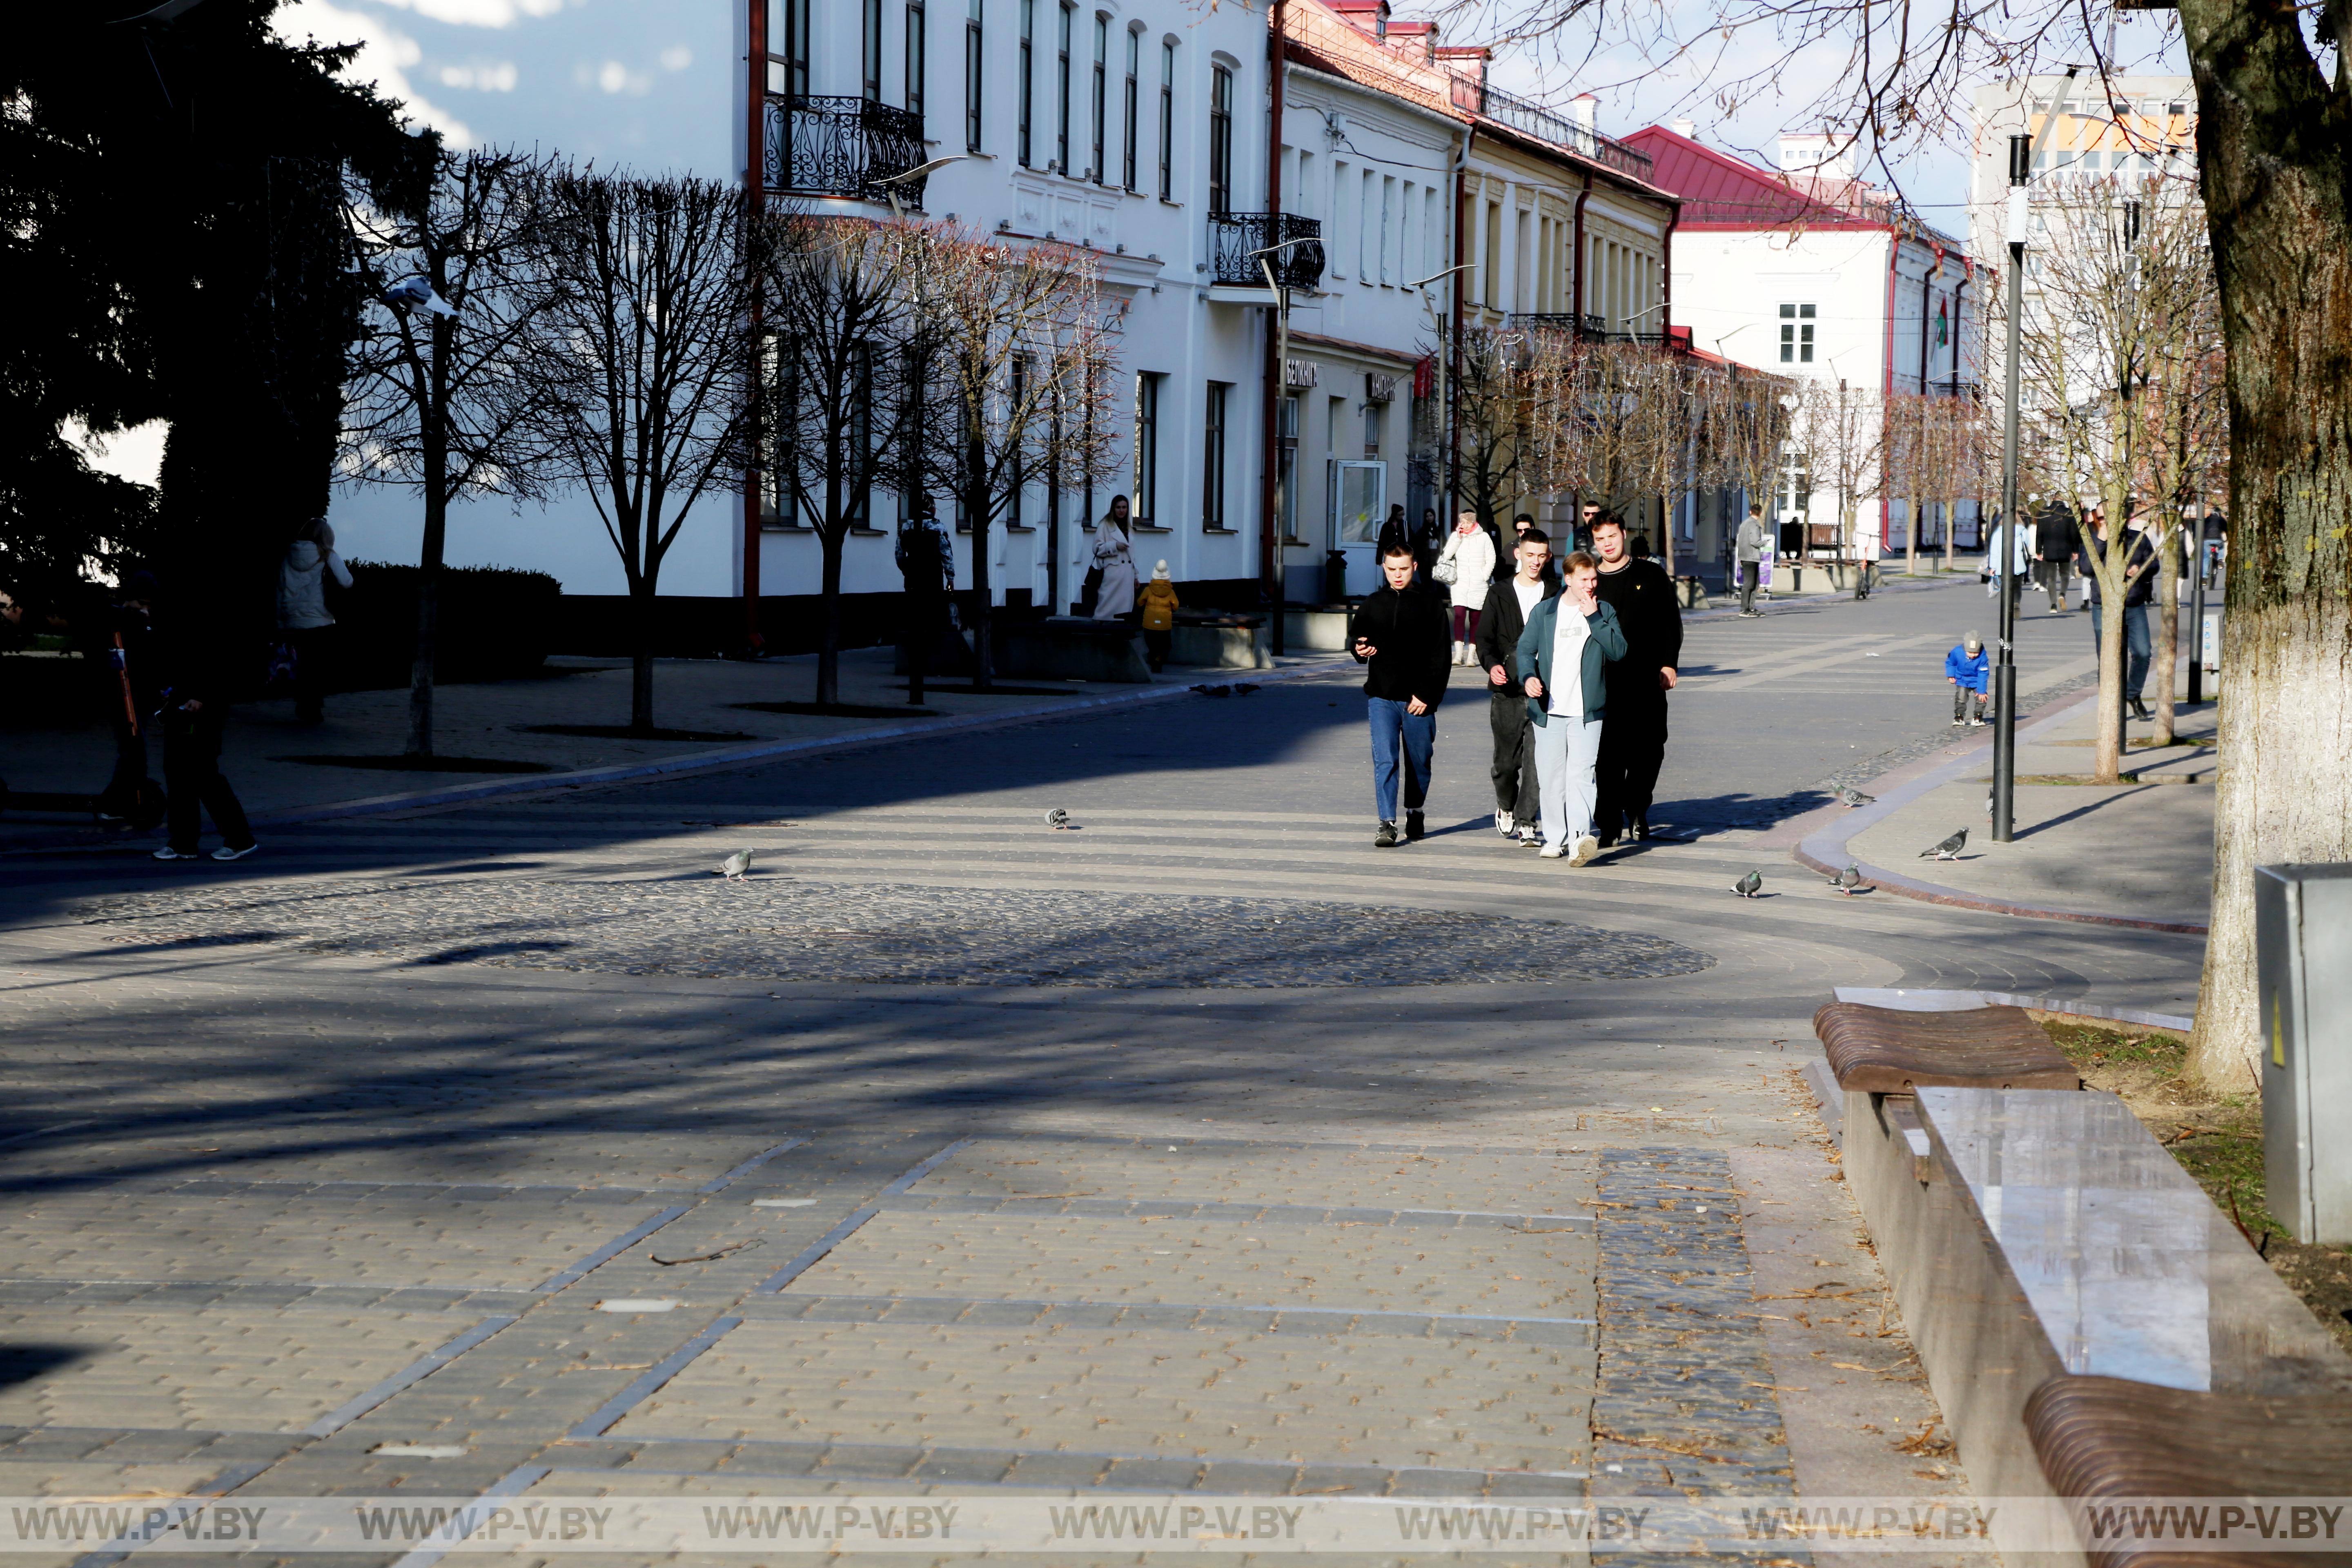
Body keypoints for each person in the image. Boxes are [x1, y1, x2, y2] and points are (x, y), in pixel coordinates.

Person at [1515, 551, 1627, 865]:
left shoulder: (1604, 611)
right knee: (1551, 776)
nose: (1591, 586)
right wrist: (1528, 677)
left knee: (1582, 774)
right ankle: (1555, 838)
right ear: (1568, 579)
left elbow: (1618, 651)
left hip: (1588, 711)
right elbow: (1525, 650)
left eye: (1594, 579)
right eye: (1584, 580)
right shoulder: (1545, 613)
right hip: (1549, 708)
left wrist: (1593, 617)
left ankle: (1580, 839)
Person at [1348, 536, 1452, 847]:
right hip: (1381, 696)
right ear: (1384, 567)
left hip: (1419, 700)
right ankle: (1387, 823)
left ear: (1415, 567)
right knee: (1386, 760)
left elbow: (1441, 657)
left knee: (1420, 761)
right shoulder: (1372, 604)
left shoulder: (1430, 605)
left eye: (1404, 569)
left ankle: (1415, 810)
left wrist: (1426, 695)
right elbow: (1357, 638)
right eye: (1392, 569)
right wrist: (1359, 649)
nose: (1397, 574)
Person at [1589, 513, 1682, 844]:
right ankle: (1609, 824)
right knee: (1607, 758)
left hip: (1646, 679)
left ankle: (1638, 808)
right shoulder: (1590, 580)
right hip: (1603, 683)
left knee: (1650, 750)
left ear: (1624, 534)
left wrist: (1669, 664)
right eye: (1600, 539)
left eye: (1612, 536)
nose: (1608, 544)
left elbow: (1670, 623)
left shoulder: (1650, 573)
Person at [151, 584, 257, 863]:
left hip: (200, 709)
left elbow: (221, 664)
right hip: (183, 704)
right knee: (180, 776)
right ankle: (184, 842)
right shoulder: (189, 620)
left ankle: (238, 839)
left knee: (203, 777)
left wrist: (203, 696)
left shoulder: (209, 623)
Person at [1474, 526, 1556, 845]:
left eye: (1541, 556)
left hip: (1542, 692)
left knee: (1537, 763)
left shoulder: (1555, 592)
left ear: (1548, 557)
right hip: (1507, 691)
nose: (1535, 562)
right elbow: (1484, 638)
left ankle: (1527, 821)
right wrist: (1492, 665)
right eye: (1530, 555)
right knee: (1506, 764)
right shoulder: (1499, 593)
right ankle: (1505, 805)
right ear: (1518, 554)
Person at [276, 518, 351, 724]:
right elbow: (347, 581)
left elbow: (280, 590)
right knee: (318, 666)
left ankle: (303, 702)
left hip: (292, 620)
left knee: (300, 664)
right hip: (320, 620)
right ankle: (314, 706)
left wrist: (281, 622)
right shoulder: (328, 555)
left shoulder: (287, 556)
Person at [2085, 508, 2157, 721]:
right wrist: (2101, 540)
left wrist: (2138, 567)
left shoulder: (2138, 539)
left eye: (2109, 518)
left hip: (2134, 603)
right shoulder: (2093, 541)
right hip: (2105, 606)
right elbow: (2086, 568)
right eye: (2100, 519)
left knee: (2143, 652)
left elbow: (2153, 564)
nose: (2105, 522)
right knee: (2107, 657)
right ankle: (2109, 703)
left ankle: (2133, 694)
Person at [1434, 511, 1496, 665]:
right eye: (1462, 522)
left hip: (1478, 584)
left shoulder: (1484, 538)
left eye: (1468, 522)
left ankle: (1471, 656)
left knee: (1476, 619)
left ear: (1474, 522)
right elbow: (1447, 555)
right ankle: (1459, 654)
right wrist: (1458, 539)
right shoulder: (1457, 536)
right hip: (1460, 583)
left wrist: (1484, 575)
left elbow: (1491, 558)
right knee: (1460, 616)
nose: (1465, 525)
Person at [1092, 495, 1137, 619]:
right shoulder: (1105, 525)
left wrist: (1136, 576)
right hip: (1112, 574)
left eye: (1124, 507)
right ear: (1113, 509)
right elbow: (1096, 549)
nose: (1122, 510)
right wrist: (1115, 546)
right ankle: (1100, 627)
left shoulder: (1128, 526)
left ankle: (1120, 631)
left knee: (1124, 611)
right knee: (1106, 608)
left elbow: (1132, 554)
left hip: (1127, 575)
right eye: (1118, 507)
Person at [1984, 509, 2032, 618]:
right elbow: (2028, 543)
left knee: (2006, 587)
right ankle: (2016, 603)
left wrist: (1992, 567)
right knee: (2017, 586)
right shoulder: (2022, 530)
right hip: (2019, 563)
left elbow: (1994, 551)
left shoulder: (1999, 532)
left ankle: (2007, 609)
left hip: (2003, 564)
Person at [2035, 499, 2080, 614]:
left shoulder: (2044, 513)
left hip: (2049, 549)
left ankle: (2053, 605)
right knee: (2065, 575)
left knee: (2051, 578)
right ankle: (2062, 594)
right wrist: (2076, 550)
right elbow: (2074, 533)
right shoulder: (2068, 513)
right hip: (2065, 549)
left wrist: (2039, 550)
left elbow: (2039, 533)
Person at [1140, 560, 1179, 672]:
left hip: (1149, 624)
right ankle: (1159, 660)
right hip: (1165, 626)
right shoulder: (1171, 592)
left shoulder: (1148, 590)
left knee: (1151, 646)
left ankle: (1153, 663)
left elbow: (1140, 602)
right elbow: (1176, 606)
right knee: (1166, 646)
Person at [1945, 631, 1990, 726]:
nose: (1973, 655)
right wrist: (1951, 675)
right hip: (1962, 680)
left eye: (1976, 653)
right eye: (1970, 653)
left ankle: (1978, 716)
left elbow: (1983, 674)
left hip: (1977, 680)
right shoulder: (1957, 652)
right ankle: (1959, 716)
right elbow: (1951, 663)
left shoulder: (1983, 658)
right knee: (1961, 699)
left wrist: (1982, 691)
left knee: (1982, 699)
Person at [1735, 506, 1770, 617]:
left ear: (1750, 512)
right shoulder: (1754, 525)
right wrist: (1765, 543)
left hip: (1745, 556)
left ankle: (1750, 608)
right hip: (1752, 557)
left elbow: (1740, 542)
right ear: (1760, 513)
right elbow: (1755, 542)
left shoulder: (1743, 524)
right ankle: (1745, 609)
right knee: (1751, 584)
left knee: (1753, 584)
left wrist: (1741, 556)